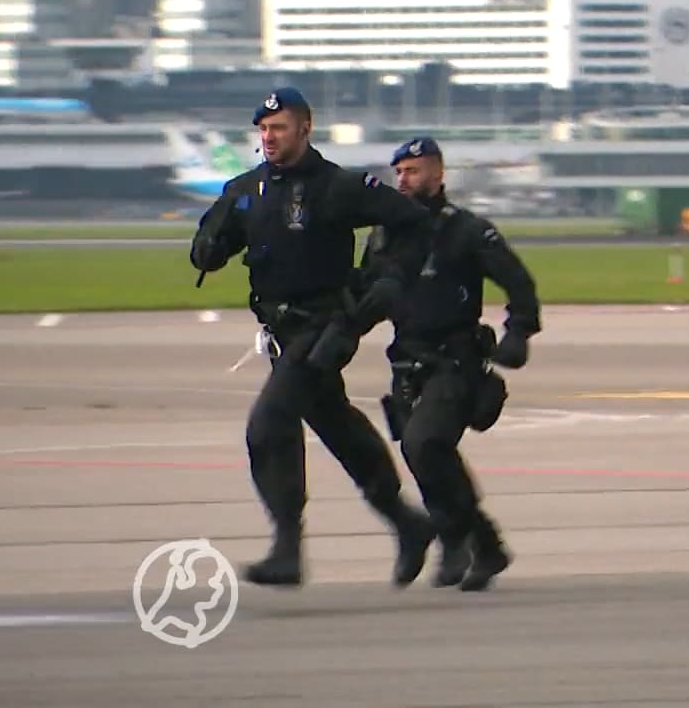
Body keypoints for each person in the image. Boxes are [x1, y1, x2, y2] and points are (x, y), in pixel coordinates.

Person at [188, 87, 438, 588]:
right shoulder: (247, 191)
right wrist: (210, 241)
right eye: (263, 128)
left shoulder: (337, 186)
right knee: (336, 424)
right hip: (280, 333)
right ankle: (408, 522)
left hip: (325, 327)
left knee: (268, 423)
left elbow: (414, 223)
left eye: (279, 127)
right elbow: (206, 255)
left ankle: (286, 547)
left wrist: (386, 277)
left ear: (305, 129)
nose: (269, 137)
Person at [365, 136, 539, 592]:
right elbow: (361, 293)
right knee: (423, 458)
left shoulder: (466, 230)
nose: (404, 179)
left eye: (414, 170)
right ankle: (476, 543)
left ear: (439, 174)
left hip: (455, 361)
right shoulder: (384, 236)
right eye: (399, 172)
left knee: (425, 444)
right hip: (407, 363)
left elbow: (518, 281)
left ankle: (464, 539)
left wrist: (518, 331)